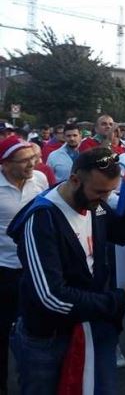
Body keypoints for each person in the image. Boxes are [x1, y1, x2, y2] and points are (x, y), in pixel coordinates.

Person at [7, 147, 125, 394]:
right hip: (48, 338)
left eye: (110, 191)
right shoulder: (43, 218)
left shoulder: (95, 205)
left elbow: (121, 234)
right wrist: (117, 299)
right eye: (99, 191)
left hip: (91, 327)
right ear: (74, 180)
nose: (104, 198)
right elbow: (50, 296)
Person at [0, 136, 48, 395]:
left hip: (33, 269)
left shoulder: (39, 179)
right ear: (5, 164)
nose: (32, 164)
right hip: (3, 270)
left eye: (33, 158)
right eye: (24, 160)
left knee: (32, 334)